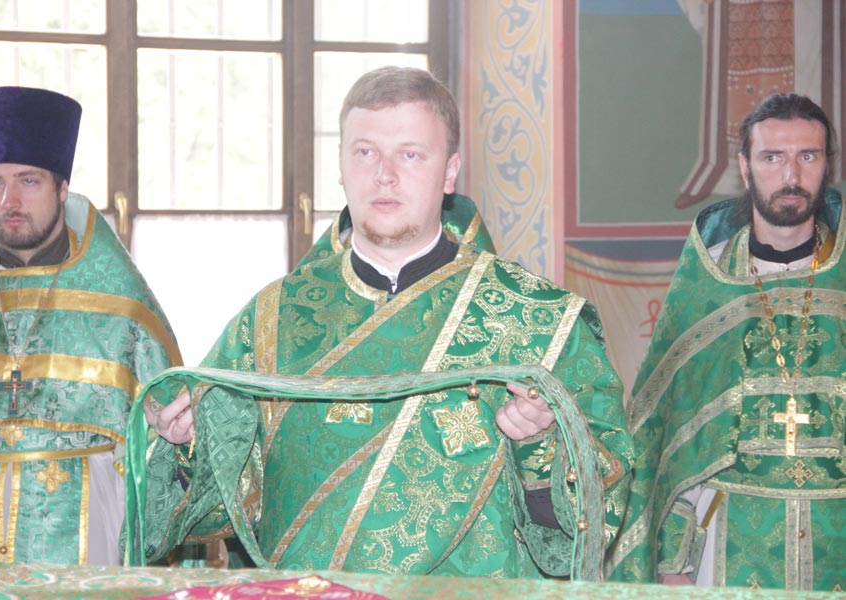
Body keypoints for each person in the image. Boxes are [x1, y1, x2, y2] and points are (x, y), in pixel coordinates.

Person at [137, 66, 632, 578]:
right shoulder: (271, 319)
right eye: (365, 152)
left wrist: (537, 446)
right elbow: (216, 513)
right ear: (341, 165)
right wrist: (185, 446)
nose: (385, 175)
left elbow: (593, 520)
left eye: (410, 154)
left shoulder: (539, 320)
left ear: (450, 172)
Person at [608, 93, 846, 591]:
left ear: (828, 165)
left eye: (807, 156)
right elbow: (668, 436)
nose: (790, 175)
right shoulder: (709, 282)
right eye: (772, 157)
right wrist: (672, 560)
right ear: (745, 166)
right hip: (728, 533)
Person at [0, 86, 181, 565]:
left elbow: (167, 451)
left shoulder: (121, 306)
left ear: (62, 187)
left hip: (85, 544)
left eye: (28, 181)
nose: (8, 200)